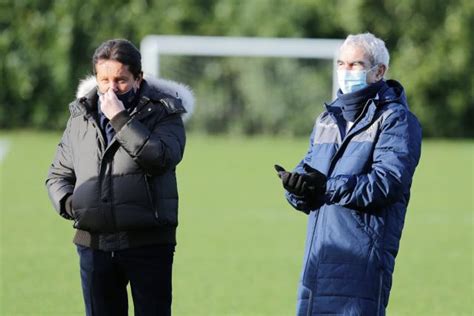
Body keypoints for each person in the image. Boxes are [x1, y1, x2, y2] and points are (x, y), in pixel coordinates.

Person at [275, 32, 422, 315]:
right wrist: (297, 188)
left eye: (355, 65)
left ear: (379, 71)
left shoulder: (396, 120)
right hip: (318, 258)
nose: (345, 71)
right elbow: (311, 178)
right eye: (341, 64)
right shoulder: (327, 119)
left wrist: (326, 188)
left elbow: (387, 182)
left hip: (361, 258)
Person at [46, 39, 194, 316]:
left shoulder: (165, 112)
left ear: (138, 78)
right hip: (94, 246)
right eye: (105, 80)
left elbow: (160, 158)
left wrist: (120, 119)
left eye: (121, 80)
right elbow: (58, 174)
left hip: (148, 245)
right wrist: (71, 204)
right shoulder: (81, 116)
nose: (111, 89)